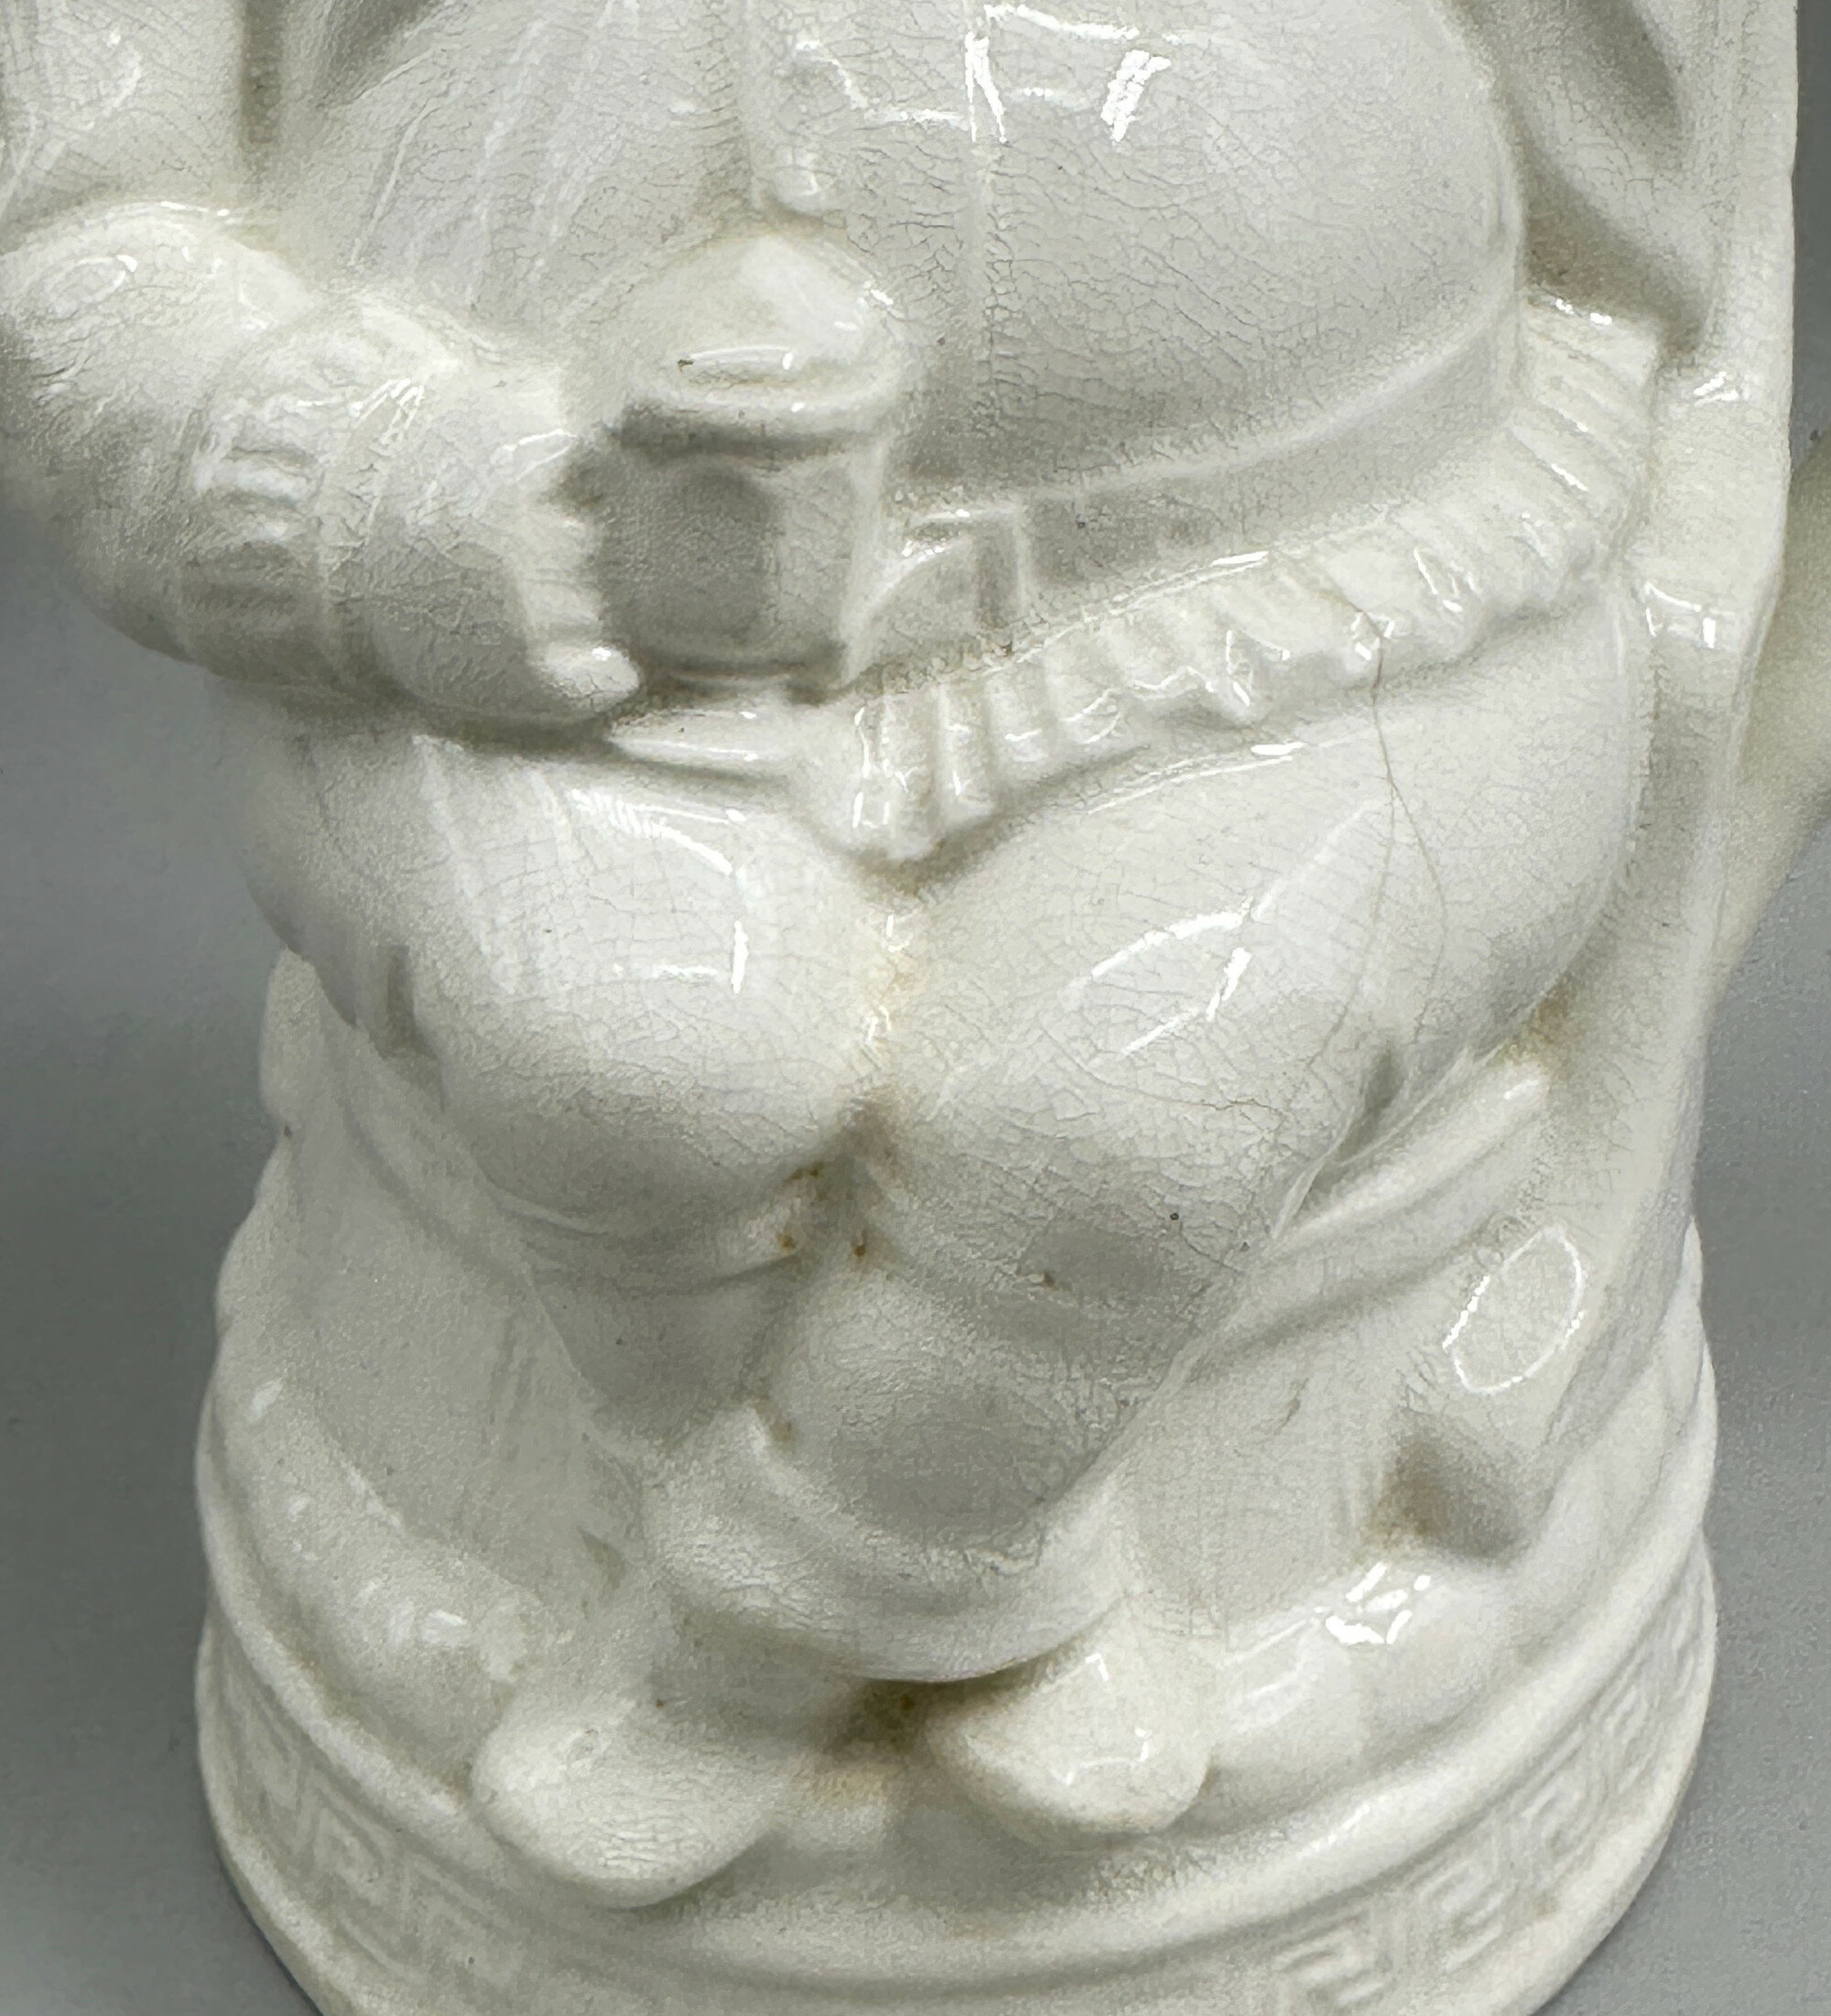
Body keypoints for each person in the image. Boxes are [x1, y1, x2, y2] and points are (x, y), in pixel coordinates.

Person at [0, 2, 1794, 1902]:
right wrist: (383, 502)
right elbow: (80, 259)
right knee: (633, 1061)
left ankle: (734, 1649)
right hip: (549, 654)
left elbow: (1661, 200)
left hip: (1323, 602)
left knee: (1119, 1121)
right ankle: (982, 1572)